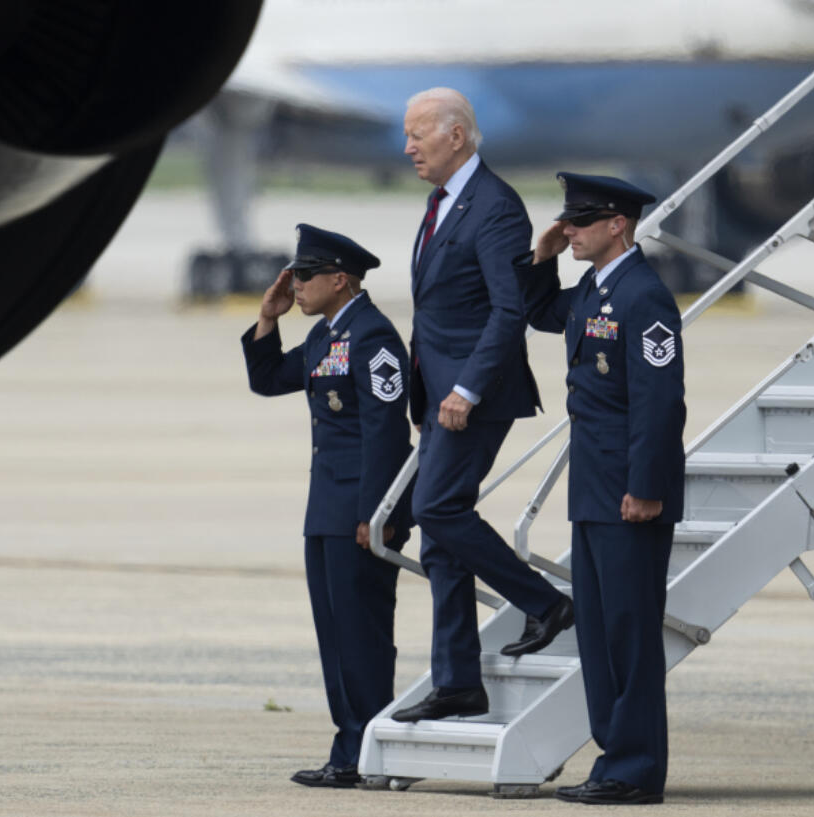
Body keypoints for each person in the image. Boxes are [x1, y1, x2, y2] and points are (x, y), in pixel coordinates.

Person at [391, 88, 574, 724]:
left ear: (457, 136)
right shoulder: (443, 203)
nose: (408, 146)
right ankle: (458, 682)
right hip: (439, 390)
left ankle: (545, 603)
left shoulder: (493, 207)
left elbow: (508, 309)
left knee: (436, 507)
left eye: (418, 134)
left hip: (474, 393)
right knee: (441, 538)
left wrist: (466, 389)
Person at [515, 173, 686, 806]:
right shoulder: (593, 289)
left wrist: (646, 486)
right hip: (592, 487)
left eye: (582, 221)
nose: (571, 230)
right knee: (597, 633)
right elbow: (540, 312)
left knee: (628, 633)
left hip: (628, 494)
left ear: (618, 224)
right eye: (568, 219)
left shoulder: (644, 297)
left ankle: (635, 768)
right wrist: (542, 258)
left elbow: (660, 403)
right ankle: (615, 758)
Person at [241, 223, 413, 788]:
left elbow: (385, 432)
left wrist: (376, 514)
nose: (296, 284)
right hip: (327, 509)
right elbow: (267, 380)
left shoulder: (372, 337)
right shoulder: (325, 335)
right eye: (293, 274)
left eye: (305, 275)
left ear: (341, 279)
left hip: (360, 511)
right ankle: (351, 747)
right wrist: (268, 317)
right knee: (335, 633)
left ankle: (370, 749)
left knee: (361, 632)